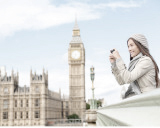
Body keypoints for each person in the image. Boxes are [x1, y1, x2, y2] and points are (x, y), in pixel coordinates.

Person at [109, 34, 159, 99]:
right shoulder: (134, 63)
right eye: (128, 46)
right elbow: (121, 81)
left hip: (149, 99)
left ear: (140, 45)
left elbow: (128, 78)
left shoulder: (146, 61)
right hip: (141, 99)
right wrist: (114, 64)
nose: (129, 49)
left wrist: (119, 58)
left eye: (131, 45)